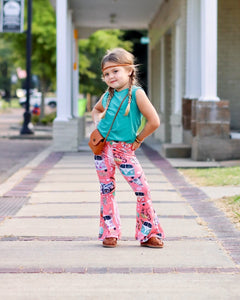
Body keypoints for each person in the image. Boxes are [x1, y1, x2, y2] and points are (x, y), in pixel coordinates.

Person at [91, 48, 165, 248]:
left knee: (142, 190)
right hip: (103, 149)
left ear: (130, 70)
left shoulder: (137, 94)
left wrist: (139, 139)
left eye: (115, 71)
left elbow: (154, 121)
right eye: (106, 74)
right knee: (107, 191)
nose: (110, 76)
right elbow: (96, 110)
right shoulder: (107, 96)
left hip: (125, 150)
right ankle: (110, 232)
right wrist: (99, 124)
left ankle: (148, 233)